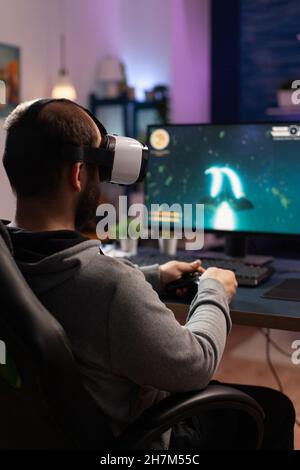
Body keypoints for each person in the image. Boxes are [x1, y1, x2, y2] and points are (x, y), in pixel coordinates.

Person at [2, 99, 295, 450]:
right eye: (100, 168)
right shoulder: (110, 286)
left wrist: (153, 275)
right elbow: (196, 363)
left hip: (48, 433)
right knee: (274, 408)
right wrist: (214, 289)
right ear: (78, 175)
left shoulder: (9, 261)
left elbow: (75, 282)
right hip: (141, 442)